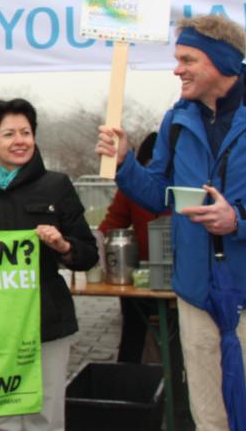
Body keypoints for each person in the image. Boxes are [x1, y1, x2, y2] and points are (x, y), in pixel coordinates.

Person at [96, 14, 246, 430]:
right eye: (177, 58)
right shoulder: (177, 121)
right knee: (209, 419)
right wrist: (125, 164)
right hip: (195, 300)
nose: (177, 69)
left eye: (188, 59)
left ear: (222, 63)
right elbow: (158, 195)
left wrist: (239, 219)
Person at [0, 98, 98, 431]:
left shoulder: (56, 186)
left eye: (26, 132)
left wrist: (63, 246)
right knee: (2, 413)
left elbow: (88, 253)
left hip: (47, 318)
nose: (20, 141)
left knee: (45, 413)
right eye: (9, 134)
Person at [97, 132, 169, 363]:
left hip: (181, 275)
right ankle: (128, 380)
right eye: (148, 165)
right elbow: (111, 225)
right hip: (142, 276)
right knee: (134, 331)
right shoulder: (133, 188)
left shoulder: (185, 185)